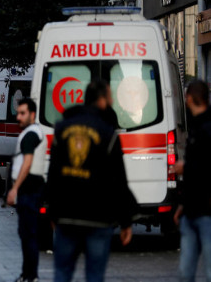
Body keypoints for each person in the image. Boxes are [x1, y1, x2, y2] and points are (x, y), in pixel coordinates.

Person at [45, 80, 137, 282]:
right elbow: (119, 181)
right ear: (102, 100)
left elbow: (53, 175)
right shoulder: (108, 134)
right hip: (98, 218)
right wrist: (126, 222)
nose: (112, 101)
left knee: (62, 273)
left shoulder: (62, 129)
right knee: (94, 276)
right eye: (111, 97)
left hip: (67, 216)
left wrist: (52, 210)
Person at [174, 80, 211, 282]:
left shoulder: (205, 128)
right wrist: (182, 204)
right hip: (191, 209)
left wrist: (185, 167)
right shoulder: (196, 126)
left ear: (189, 98)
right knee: (185, 272)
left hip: (206, 211)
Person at [6, 98, 44, 282]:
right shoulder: (31, 132)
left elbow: (27, 162)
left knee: (29, 235)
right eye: (18, 113)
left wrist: (15, 189)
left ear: (32, 115)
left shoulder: (30, 135)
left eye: (22, 113)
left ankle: (30, 276)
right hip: (28, 191)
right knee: (26, 234)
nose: (18, 117)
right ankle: (27, 274)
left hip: (29, 191)